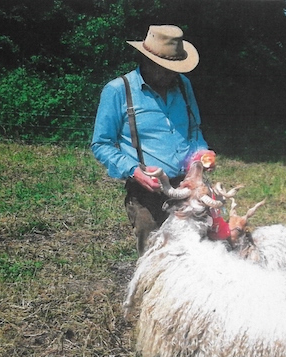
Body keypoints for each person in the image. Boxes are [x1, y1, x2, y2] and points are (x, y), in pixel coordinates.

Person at [91, 25, 214, 255]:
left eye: (175, 68)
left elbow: (195, 132)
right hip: (146, 194)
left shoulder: (183, 86)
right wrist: (135, 171)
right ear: (146, 60)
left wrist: (200, 159)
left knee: (197, 252)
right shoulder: (118, 90)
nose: (171, 74)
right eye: (165, 68)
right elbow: (101, 144)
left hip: (187, 189)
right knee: (154, 256)